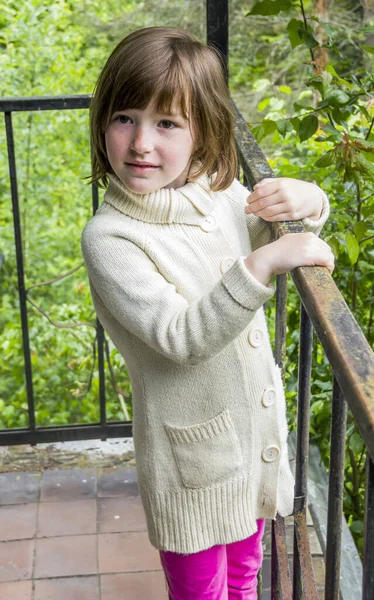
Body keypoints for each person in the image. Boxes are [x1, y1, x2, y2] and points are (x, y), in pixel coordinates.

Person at [81, 27, 334, 600]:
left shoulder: (218, 198)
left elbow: (281, 229)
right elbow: (179, 335)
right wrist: (263, 263)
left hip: (246, 447)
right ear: (102, 125)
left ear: (202, 133)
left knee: (245, 580)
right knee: (201, 593)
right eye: (125, 117)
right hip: (189, 466)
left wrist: (307, 201)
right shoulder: (111, 237)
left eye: (167, 124)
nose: (142, 141)